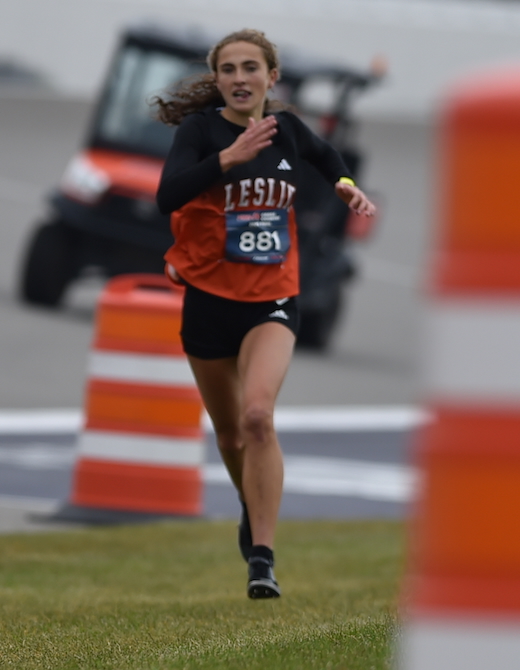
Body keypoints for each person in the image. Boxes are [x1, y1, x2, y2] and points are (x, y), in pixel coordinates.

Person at [153, 29, 374, 599]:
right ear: (219, 79)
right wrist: (228, 158)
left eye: (251, 67)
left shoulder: (291, 130)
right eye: (229, 69)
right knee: (229, 433)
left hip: (273, 296)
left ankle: (262, 555)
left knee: (257, 417)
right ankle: (251, 507)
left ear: (271, 77)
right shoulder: (201, 132)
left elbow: (331, 161)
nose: (240, 77)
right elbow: (167, 195)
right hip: (208, 298)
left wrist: (347, 188)